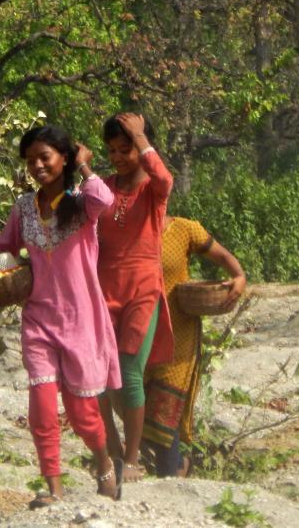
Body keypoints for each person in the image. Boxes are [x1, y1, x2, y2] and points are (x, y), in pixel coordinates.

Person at [0, 125, 121, 507]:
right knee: (43, 408)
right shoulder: (23, 209)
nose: (36, 166)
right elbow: (3, 247)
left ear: (63, 158)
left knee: (84, 416)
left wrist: (84, 166)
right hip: (38, 320)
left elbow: (106, 199)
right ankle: (53, 488)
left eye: (44, 157)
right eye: (30, 160)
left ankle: (104, 464)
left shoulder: (83, 203)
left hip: (81, 321)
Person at [97, 112, 174, 482]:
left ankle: (132, 460)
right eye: (111, 150)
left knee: (128, 371)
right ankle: (111, 453)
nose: (116, 157)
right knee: (95, 376)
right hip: (103, 289)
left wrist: (142, 139)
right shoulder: (103, 187)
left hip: (143, 290)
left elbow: (164, 177)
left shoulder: (153, 190)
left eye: (124, 149)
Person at [143, 217, 246, 477]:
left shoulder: (185, 229)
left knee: (167, 403)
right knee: (136, 400)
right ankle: (173, 466)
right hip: (137, 329)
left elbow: (222, 256)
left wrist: (239, 276)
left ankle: (170, 476)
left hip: (178, 331)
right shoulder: (123, 228)